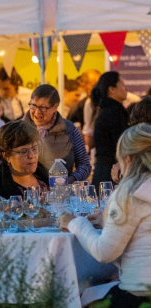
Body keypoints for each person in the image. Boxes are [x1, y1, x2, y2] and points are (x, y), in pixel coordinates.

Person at [58, 124, 151, 308]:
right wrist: (106, 221)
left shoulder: (130, 192)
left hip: (139, 291)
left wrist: (75, 223)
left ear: (128, 158)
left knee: (81, 296)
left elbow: (104, 252)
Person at [23, 84, 91, 183]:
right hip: (26, 193)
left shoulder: (69, 129)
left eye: (43, 108)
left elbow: (84, 165)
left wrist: (68, 181)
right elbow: (0, 163)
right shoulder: (18, 130)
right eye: (33, 106)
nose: (37, 112)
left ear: (55, 107)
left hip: (60, 194)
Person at [0, 121, 49, 199]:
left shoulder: (44, 174)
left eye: (34, 149)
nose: (31, 155)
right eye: (23, 151)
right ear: (6, 156)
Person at [92, 72, 129, 186]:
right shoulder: (114, 111)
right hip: (112, 171)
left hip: (102, 170)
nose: (125, 88)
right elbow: (120, 144)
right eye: (122, 85)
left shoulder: (104, 109)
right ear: (112, 89)